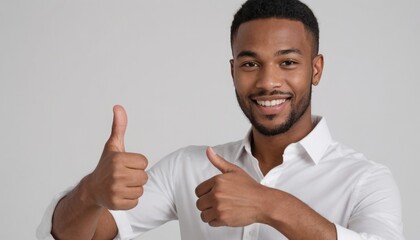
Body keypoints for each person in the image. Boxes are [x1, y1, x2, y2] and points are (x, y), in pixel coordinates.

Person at [37, 0, 404, 239]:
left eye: (288, 62)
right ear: (233, 71)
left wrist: (270, 205)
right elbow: (76, 235)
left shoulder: (366, 181)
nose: (267, 81)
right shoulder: (189, 167)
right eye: (250, 64)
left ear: (316, 69)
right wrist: (89, 193)